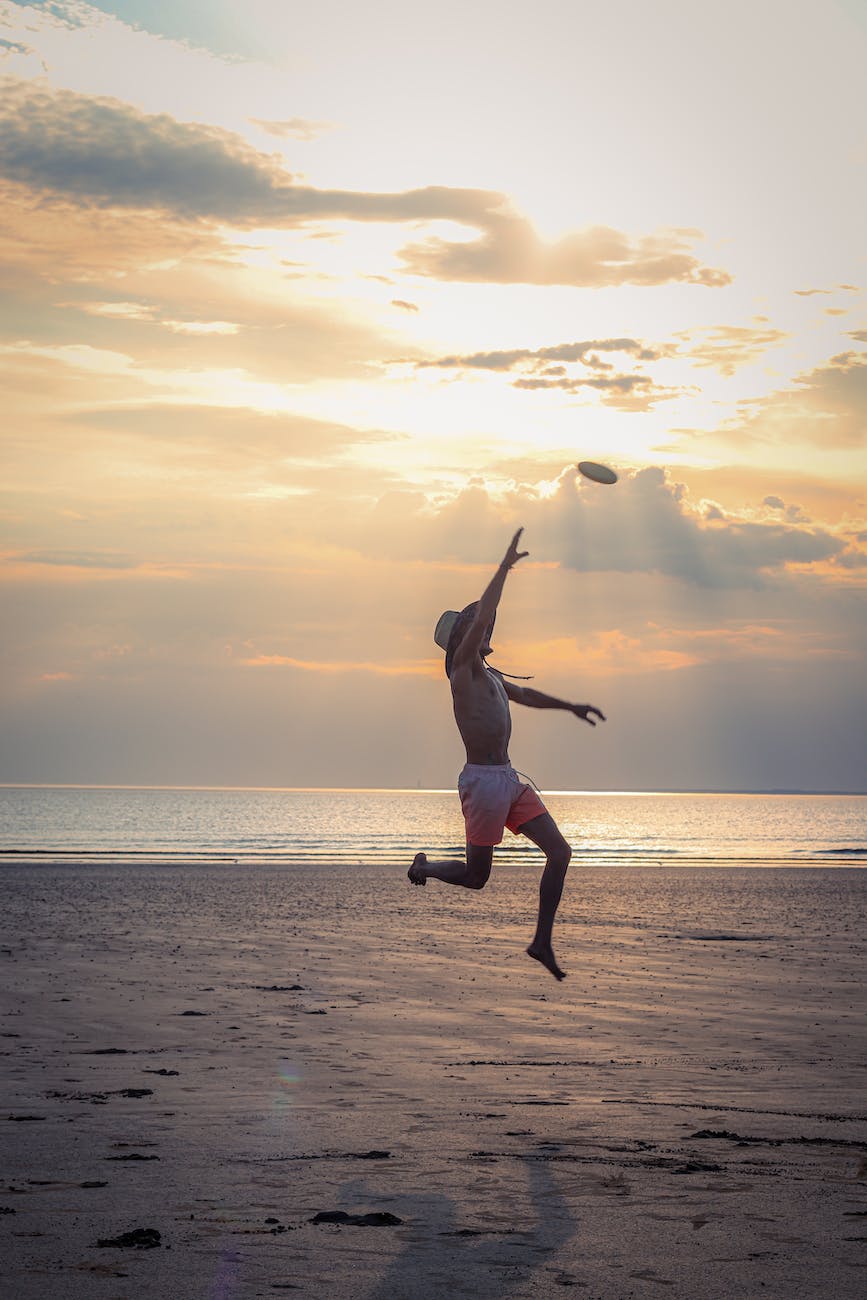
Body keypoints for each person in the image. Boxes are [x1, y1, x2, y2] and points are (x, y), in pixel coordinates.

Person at [408, 528, 605, 980]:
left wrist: (571, 706)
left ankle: (541, 942)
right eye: (476, 626)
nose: (485, 628)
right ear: (462, 637)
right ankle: (426, 867)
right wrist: (504, 567)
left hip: (510, 781)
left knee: (560, 853)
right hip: (481, 782)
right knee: (478, 878)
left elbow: (528, 696)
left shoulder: (491, 675)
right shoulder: (463, 671)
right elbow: (483, 616)